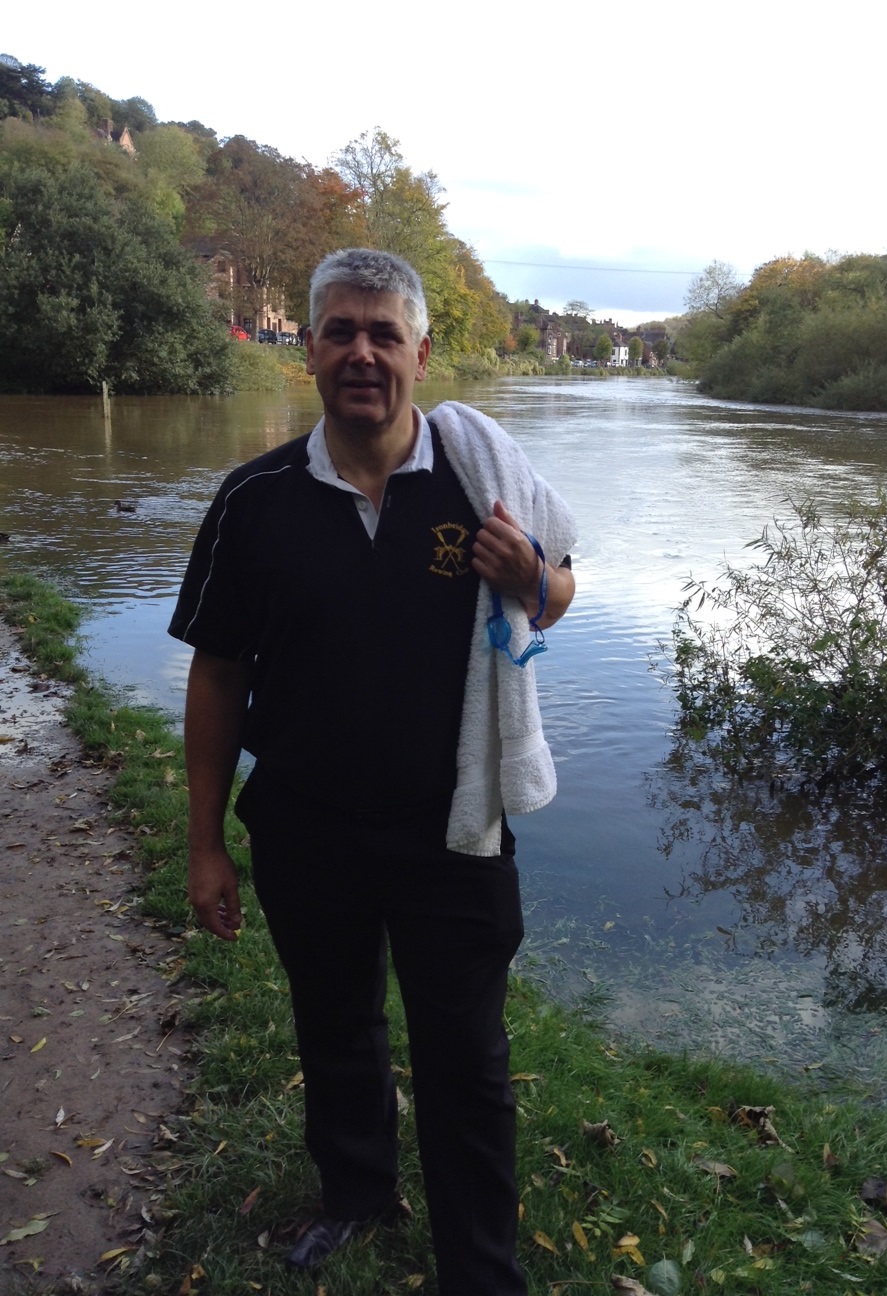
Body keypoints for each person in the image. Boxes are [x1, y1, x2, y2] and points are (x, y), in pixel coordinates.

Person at [168, 248, 577, 1294]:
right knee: (334, 1025)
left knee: (467, 1058)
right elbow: (217, 675)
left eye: (382, 333)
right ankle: (354, 1193)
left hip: (454, 829)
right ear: (308, 349)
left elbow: (561, 586)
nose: (361, 353)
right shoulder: (252, 500)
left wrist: (532, 575)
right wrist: (205, 842)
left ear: (420, 353)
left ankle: (477, 1268)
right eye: (339, 331)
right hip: (307, 826)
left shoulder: (478, 480)